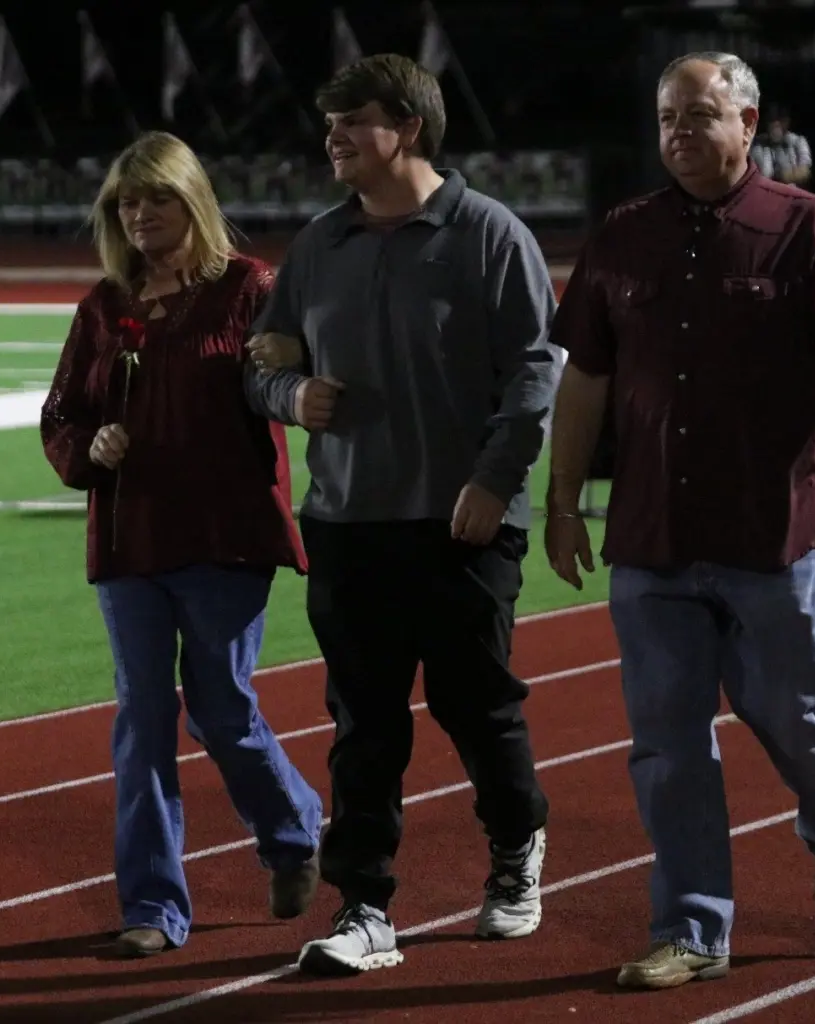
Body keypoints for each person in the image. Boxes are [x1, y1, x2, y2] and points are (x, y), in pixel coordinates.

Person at [545, 51, 815, 991]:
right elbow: (585, 378)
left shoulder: (811, 229)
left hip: (774, 537)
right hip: (651, 538)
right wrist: (562, 501)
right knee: (666, 746)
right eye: (666, 117)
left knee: (795, 719)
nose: (678, 133)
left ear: (747, 122)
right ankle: (692, 927)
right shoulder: (623, 235)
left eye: (697, 114)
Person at [244, 53, 558, 977]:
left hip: (464, 522)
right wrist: (291, 395)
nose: (333, 138)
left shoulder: (489, 234)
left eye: (353, 121)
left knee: (475, 708)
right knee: (363, 727)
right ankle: (364, 906)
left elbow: (534, 372)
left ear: (408, 127)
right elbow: (260, 367)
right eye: (329, 123)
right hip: (347, 523)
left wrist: (494, 482)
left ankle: (515, 848)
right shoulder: (318, 245)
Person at [40, 130, 323, 958]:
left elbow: (286, 381)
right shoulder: (104, 307)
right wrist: (89, 447)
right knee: (142, 717)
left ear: (192, 199)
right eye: (126, 202)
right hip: (129, 539)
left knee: (220, 710)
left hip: (225, 536)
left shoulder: (249, 289)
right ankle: (153, 907)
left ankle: (291, 830)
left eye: (156, 197)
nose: (140, 214)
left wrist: (297, 369)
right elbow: (62, 414)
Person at [751, 104, 812, 186]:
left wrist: (779, 176)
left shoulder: (799, 141)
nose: (776, 124)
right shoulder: (756, 144)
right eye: (772, 120)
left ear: (788, 122)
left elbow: (805, 173)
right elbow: (755, 176)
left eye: (781, 120)